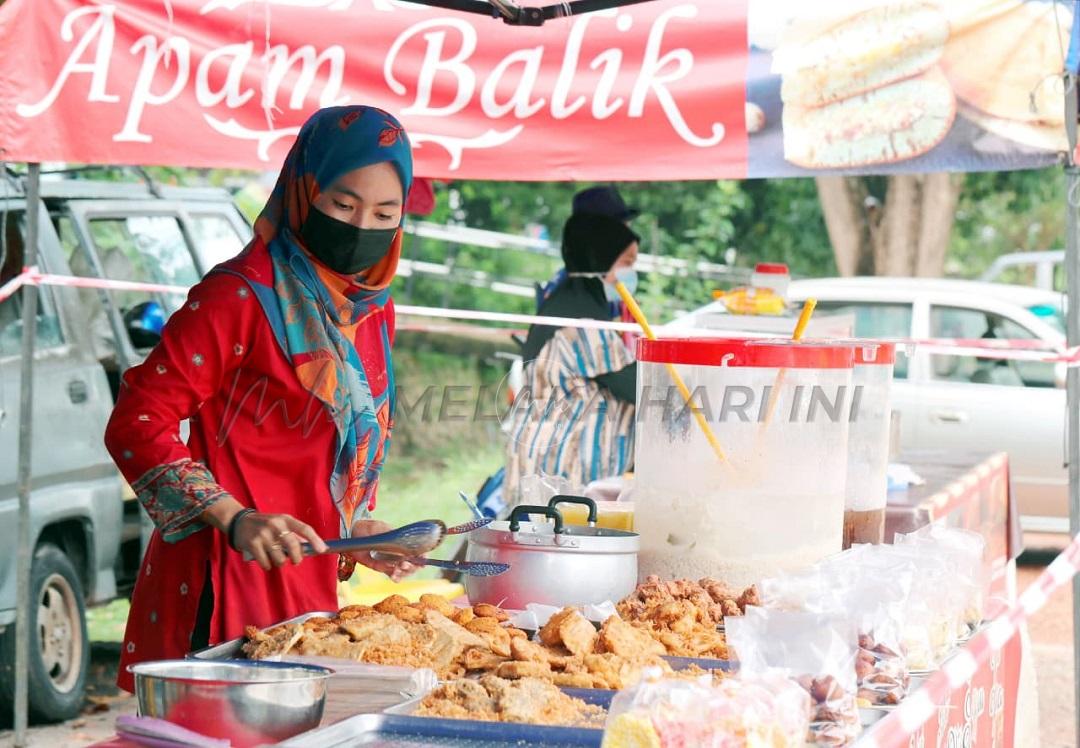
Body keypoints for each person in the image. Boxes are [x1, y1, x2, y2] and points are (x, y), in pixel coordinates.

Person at [104, 105, 416, 691]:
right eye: (343, 205)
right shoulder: (237, 296)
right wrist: (234, 517)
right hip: (222, 576)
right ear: (304, 190)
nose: (360, 226)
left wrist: (360, 531)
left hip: (306, 584)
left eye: (384, 212)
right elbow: (138, 422)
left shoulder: (372, 310)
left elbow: (327, 450)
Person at [504, 186, 641, 502]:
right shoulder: (581, 321)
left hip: (545, 473)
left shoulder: (571, 299)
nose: (631, 272)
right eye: (627, 261)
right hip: (558, 481)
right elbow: (639, 386)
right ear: (602, 252)